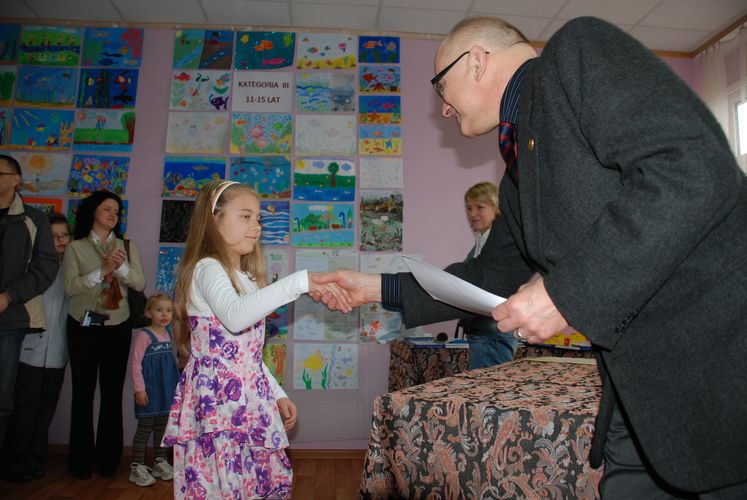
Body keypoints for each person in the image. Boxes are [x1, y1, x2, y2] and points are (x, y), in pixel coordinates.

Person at [317, 16, 747, 498]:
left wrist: (563, 294)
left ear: (476, 61)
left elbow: (693, 170)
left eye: (441, 86)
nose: (443, 107)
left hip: (720, 368)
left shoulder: (576, 52)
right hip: (641, 393)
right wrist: (374, 288)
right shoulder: (516, 180)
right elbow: (489, 275)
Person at [162, 180, 350, 499]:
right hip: (219, 404)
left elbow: (247, 356)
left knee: (253, 481)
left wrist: (277, 393)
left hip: (248, 401)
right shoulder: (207, 268)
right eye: (245, 216)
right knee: (225, 483)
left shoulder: (247, 279)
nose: (257, 226)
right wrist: (301, 281)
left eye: (258, 218)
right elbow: (235, 317)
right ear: (214, 220)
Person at [62, 190, 145, 479]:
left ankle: (109, 461)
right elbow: (70, 287)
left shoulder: (126, 246)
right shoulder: (75, 248)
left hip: (117, 326)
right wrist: (102, 271)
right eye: (107, 209)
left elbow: (139, 282)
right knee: (82, 393)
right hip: (82, 324)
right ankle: (80, 462)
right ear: (93, 211)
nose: (113, 215)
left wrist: (120, 268)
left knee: (111, 393)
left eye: (117, 211)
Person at [2, 213, 70, 482]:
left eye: (64, 235)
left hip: (57, 352)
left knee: (46, 408)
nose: (60, 241)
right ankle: (14, 459)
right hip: (28, 349)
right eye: (53, 236)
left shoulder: (71, 270)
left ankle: (34, 457)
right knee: (24, 407)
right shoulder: (31, 269)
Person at [0, 155, 58, 457]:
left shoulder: (33, 220)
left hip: (9, 320)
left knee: (2, 401)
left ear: (16, 180)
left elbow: (45, 267)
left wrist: (8, 296)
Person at [457, 182, 517, 369]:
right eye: (469, 208)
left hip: (493, 333)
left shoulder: (500, 243)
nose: (473, 214)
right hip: (483, 331)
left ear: (497, 209)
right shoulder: (481, 242)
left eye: (480, 207)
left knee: (489, 385)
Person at [128, 293, 179, 487]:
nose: (164, 315)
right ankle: (137, 466)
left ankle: (160, 461)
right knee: (144, 429)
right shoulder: (144, 335)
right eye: (159, 310)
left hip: (166, 391)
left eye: (168, 310)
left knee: (162, 428)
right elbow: (135, 364)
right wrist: (139, 390)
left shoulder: (168, 335)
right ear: (148, 313)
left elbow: (169, 364)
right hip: (149, 392)